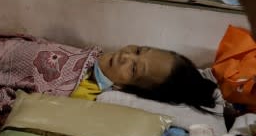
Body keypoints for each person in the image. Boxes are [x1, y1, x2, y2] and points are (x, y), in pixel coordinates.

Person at [71, 45, 217, 109]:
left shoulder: (82, 94)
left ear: (122, 87)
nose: (125, 56)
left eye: (133, 69)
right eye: (138, 50)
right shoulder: (93, 54)